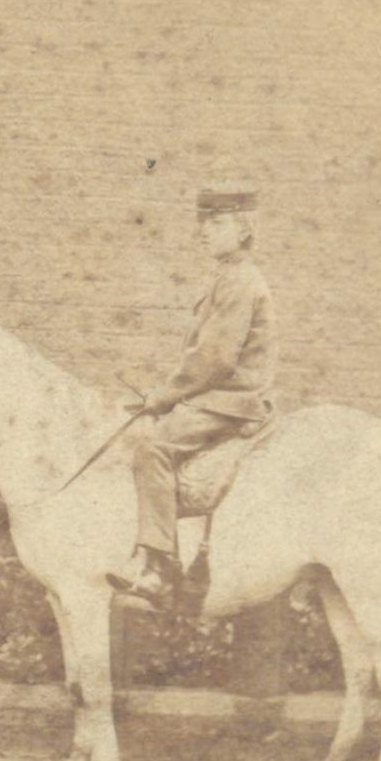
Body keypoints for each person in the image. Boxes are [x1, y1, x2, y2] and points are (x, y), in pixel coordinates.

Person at [111, 185, 278, 605]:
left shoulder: (240, 281)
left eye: (216, 222)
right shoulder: (228, 276)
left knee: (152, 448)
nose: (204, 231)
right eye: (203, 222)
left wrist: (165, 396)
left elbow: (215, 359)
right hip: (216, 397)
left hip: (229, 401)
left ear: (244, 230)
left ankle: (160, 568)